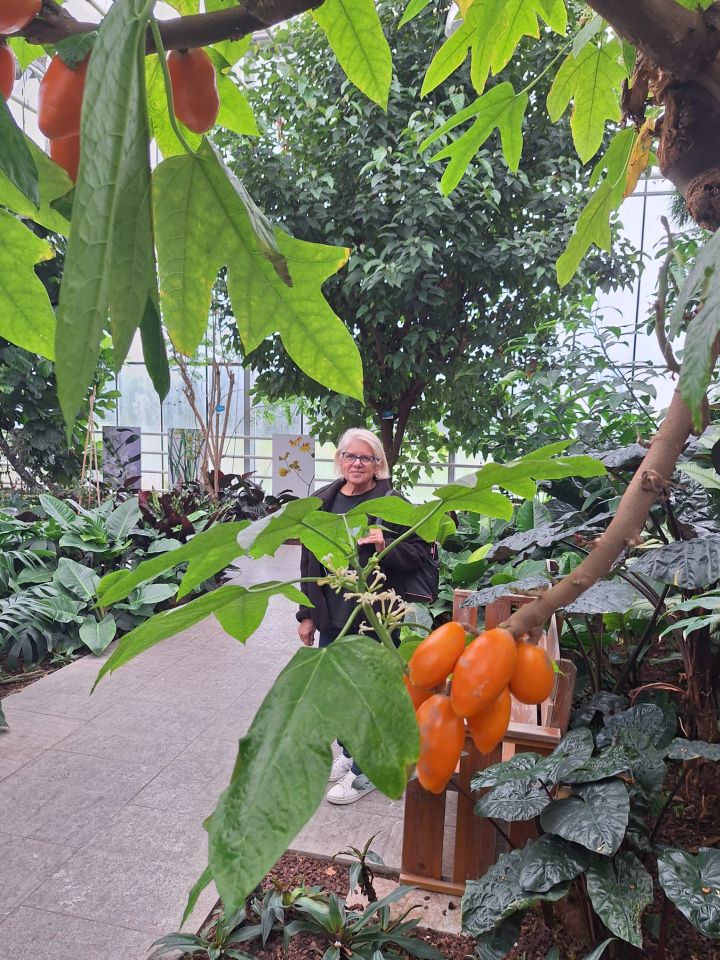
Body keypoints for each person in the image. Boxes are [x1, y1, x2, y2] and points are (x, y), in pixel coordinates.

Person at [296, 427, 432, 805]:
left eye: (366, 458)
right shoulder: (323, 500)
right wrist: (306, 615)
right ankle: (352, 753)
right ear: (340, 459)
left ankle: (366, 771)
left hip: (373, 616)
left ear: (378, 465)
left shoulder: (391, 500)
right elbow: (308, 560)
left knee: (370, 697)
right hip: (332, 616)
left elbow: (419, 553)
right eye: (350, 456)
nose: (357, 464)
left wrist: (386, 547)